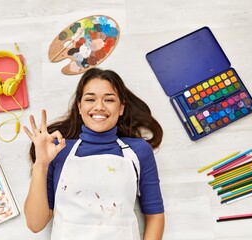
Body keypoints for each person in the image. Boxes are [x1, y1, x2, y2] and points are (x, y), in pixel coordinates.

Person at [23, 68, 165, 240]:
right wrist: (41, 164)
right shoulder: (59, 151)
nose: (99, 106)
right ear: (79, 106)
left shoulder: (139, 151)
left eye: (109, 100)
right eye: (90, 99)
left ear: (121, 108)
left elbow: (155, 215)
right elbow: (35, 224)